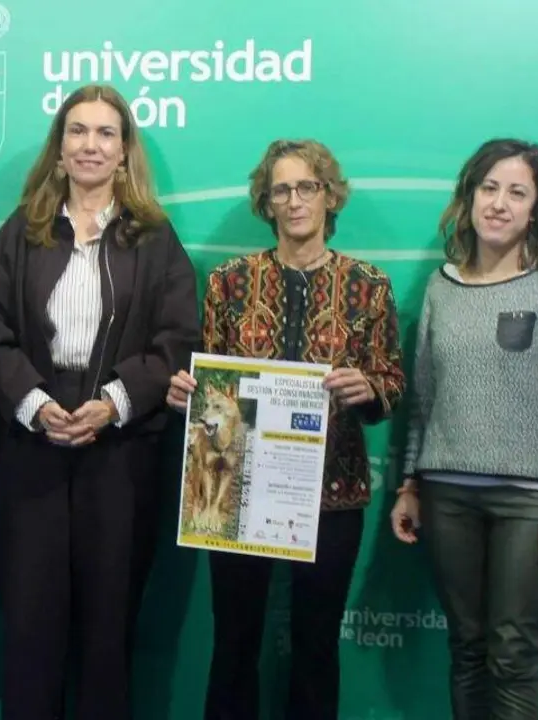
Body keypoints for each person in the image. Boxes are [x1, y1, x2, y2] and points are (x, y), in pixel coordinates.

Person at [0, 83, 199, 719]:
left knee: (108, 626)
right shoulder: (23, 233)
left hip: (120, 451)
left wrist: (114, 402)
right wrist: (36, 404)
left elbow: (177, 340)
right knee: (31, 625)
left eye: (105, 133)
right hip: (31, 446)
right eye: (78, 131)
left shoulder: (154, 239)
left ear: (125, 152)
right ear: (60, 147)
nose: (90, 145)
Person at [167, 139, 406, 720]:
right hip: (234, 495)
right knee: (234, 644)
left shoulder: (368, 285)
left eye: (308, 187)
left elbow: (393, 380)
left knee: (316, 648)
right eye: (282, 190)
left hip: (333, 492)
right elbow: (210, 380)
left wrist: (370, 389)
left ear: (329, 196)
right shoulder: (228, 282)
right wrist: (187, 393)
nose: (295, 201)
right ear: (266, 203)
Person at [391, 139, 538, 720]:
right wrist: (409, 483)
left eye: (517, 192)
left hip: (528, 502)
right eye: (489, 188)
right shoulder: (441, 288)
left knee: (513, 654)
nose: (499, 203)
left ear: (537, 210)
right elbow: (424, 398)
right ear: (470, 197)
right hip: (446, 494)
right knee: (468, 649)